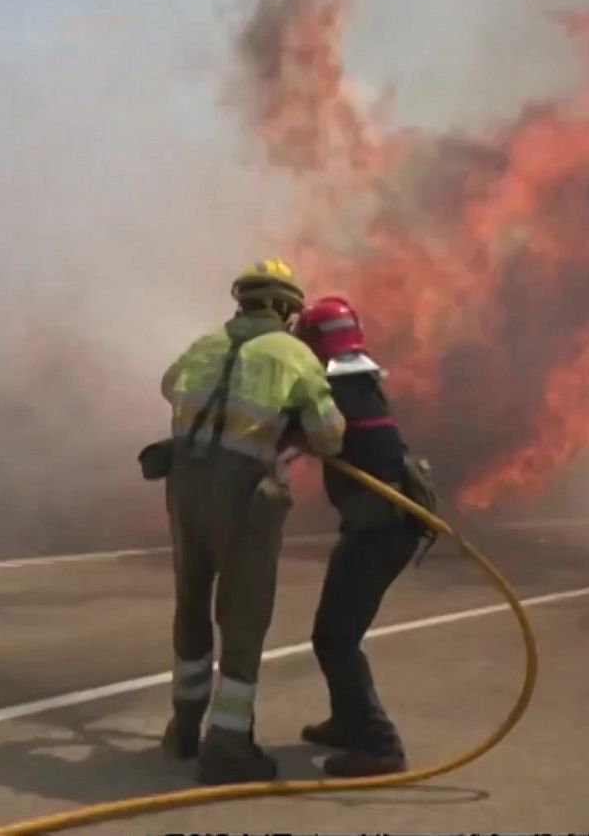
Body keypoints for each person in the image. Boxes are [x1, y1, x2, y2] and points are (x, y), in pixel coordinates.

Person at [157, 258, 346, 785]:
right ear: (287, 309)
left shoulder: (205, 344)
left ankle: (185, 727)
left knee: (191, 604)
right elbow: (331, 436)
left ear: (241, 301)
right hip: (243, 498)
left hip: (185, 486)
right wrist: (284, 424)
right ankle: (228, 744)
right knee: (242, 617)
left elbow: (170, 385)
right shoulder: (293, 355)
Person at [292, 295, 432, 777]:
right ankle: (349, 722)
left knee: (335, 637)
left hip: (380, 529)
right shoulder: (360, 379)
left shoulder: (336, 386)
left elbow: (306, 429)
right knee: (335, 632)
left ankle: (379, 745)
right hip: (382, 524)